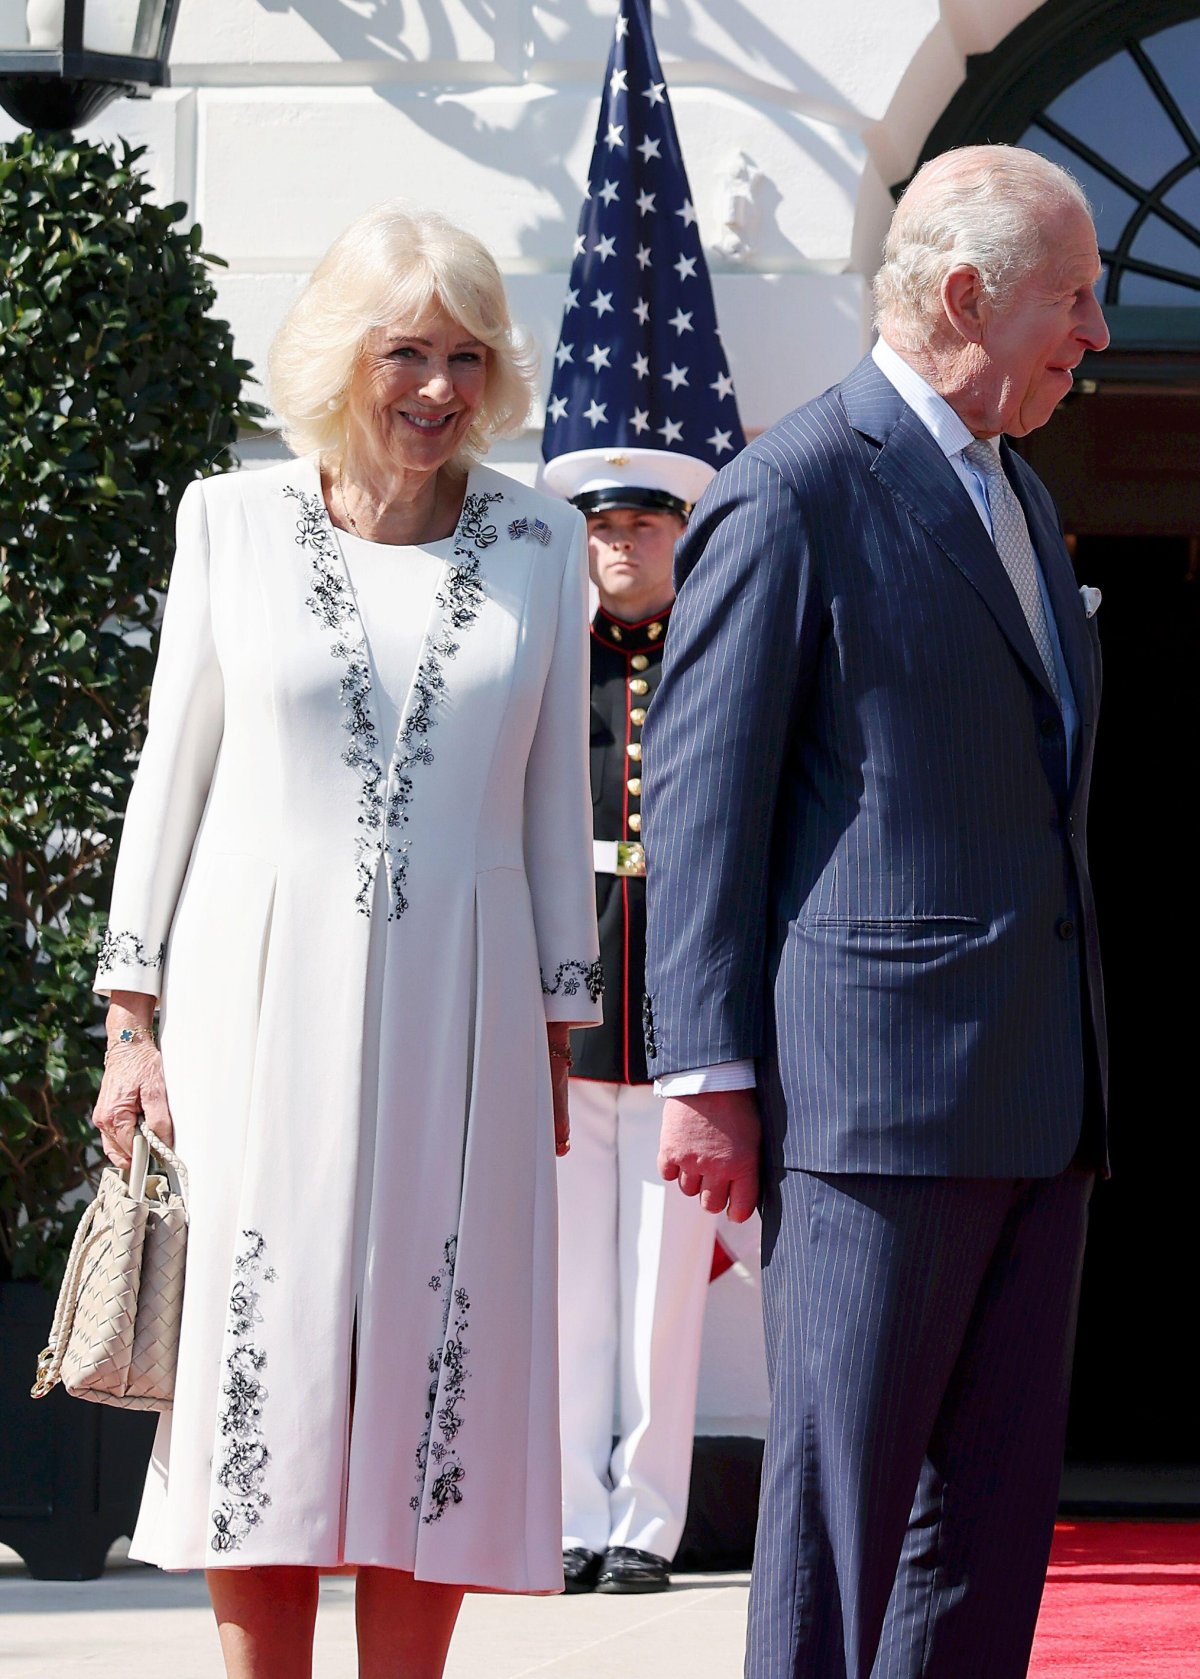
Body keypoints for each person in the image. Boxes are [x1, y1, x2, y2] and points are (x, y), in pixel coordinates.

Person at [89, 203, 602, 1679]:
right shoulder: (227, 521)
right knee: (275, 1352)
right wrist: (133, 1020)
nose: (437, 387)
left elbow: (556, 795)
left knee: (433, 1364)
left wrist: (560, 1024)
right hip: (254, 1007)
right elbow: (168, 776)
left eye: (464, 355)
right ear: (340, 357)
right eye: (404, 353)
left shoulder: (542, 539)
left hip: (475, 1006)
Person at [641, 145, 1110, 1679]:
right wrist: (704, 1069)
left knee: (986, 1529)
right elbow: (703, 802)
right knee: (843, 1520)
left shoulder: (1023, 496)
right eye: (1078, 299)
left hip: (1040, 1099)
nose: (1099, 334)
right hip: (872, 1111)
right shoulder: (795, 488)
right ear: (968, 295)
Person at [542, 448, 717, 1595]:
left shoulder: (715, 659)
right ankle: (562, 1511)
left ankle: (644, 1525)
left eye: (645, 528)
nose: (621, 546)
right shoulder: (551, 664)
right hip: (567, 1013)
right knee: (566, 1287)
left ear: (678, 535)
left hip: (678, 1015)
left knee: (664, 1295)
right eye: (604, 528)